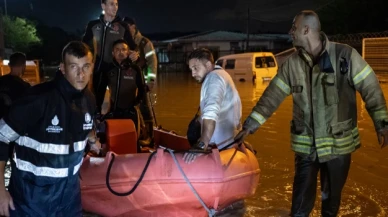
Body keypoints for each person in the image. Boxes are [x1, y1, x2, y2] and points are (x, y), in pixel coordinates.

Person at [235, 10, 388, 216]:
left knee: (330, 206)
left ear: (306, 29)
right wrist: (249, 126)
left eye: (294, 28)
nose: (290, 32)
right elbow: (271, 98)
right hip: (306, 149)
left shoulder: (345, 56)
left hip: (338, 148)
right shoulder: (291, 65)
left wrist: (382, 124)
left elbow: (371, 89)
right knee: (299, 208)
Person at [0, 41, 100, 216]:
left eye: (86, 66)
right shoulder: (38, 98)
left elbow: (84, 126)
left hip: (70, 196)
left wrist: (93, 140)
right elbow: (1, 138)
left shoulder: (89, 100)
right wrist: (1, 191)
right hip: (30, 198)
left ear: (92, 68)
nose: (81, 74)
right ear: (62, 68)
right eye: (74, 66)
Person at [183, 48, 242, 164]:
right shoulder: (223, 74)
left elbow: (211, 111)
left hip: (220, 149)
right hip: (231, 145)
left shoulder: (213, 79)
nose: (193, 73)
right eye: (191, 69)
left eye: (196, 68)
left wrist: (201, 144)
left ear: (208, 65)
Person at [82, 0, 138, 115]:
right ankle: (95, 123)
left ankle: (118, 123)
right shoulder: (93, 25)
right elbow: (83, 47)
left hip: (117, 70)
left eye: (116, 4)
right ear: (103, 6)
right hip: (99, 69)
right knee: (95, 102)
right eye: (112, 4)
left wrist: (135, 53)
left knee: (119, 103)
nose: (115, 7)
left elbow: (133, 47)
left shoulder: (123, 26)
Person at [122, 17, 157, 145]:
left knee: (145, 107)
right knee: (130, 107)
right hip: (127, 81)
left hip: (142, 81)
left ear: (133, 27)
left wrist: (150, 80)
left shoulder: (144, 43)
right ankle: (138, 132)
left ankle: (150, 137)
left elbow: (152, 62)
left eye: (127, 27)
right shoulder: (123, 44)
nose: (126, 30)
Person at [104, 39, 145, 135]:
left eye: (123, 49)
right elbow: (101, 90)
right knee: (115, 137)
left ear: (128, 52)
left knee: (133, 138)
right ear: (113, 53)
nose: (120, 52)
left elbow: (142, 89)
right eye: (117, 50)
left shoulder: (135, 69)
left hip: (131, 111)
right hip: (114, 110)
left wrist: (136, 104)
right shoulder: (108, 69)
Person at [0, 52, 31, 118]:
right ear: (23, 66)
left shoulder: (1, 80)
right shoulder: (24, 86)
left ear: (9, 65)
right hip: (13, 123)